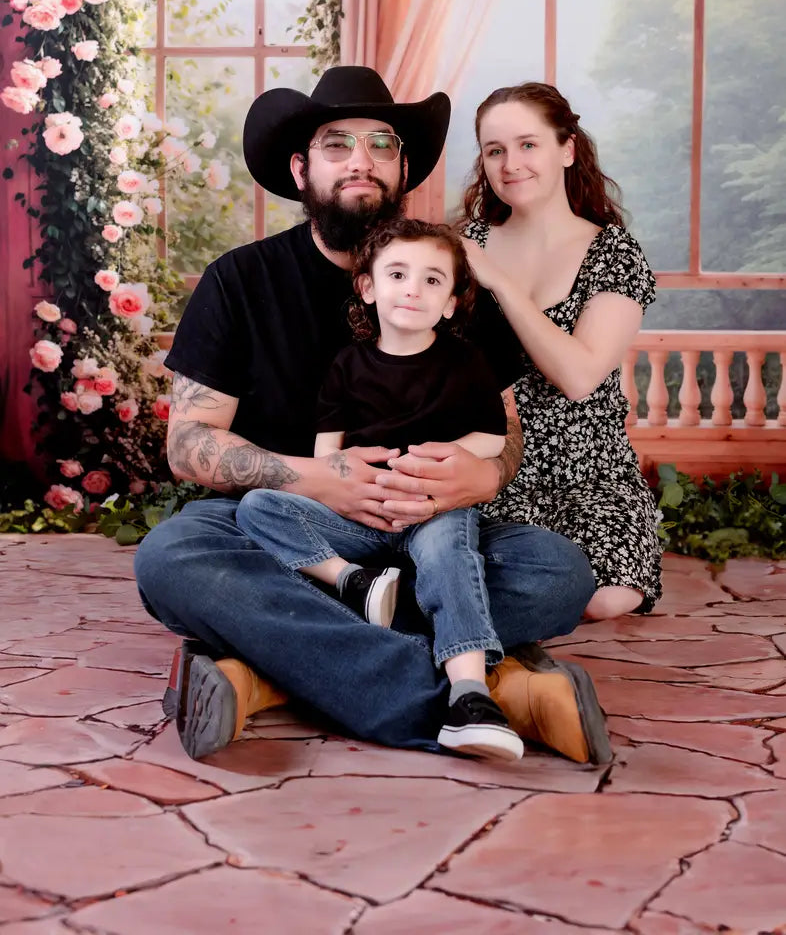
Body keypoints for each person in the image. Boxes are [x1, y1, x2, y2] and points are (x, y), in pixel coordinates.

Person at [133, 66, 611, 767]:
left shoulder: (450, 279)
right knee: (173, 557)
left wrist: (481, 476)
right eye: (336, 144)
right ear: (300, 170)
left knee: (558, 572)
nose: (361, 160)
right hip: (289, 533)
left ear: (403, 167)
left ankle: (270, 669)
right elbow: (189, 443)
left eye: (381, 144)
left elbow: (506, 431)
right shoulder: (240, 280)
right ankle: (481, 692)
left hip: (427, 528)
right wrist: (316, 479)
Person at [238, 217, 524, 762]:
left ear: (450, 303)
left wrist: (436, 464)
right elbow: (326, 457)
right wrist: (347, 480)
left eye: (433, 280)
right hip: (359, 517)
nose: (413, 288)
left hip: (431, 505)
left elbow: (492, 436)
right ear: (369, 288)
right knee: (258, 506)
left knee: (456, 550)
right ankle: (353, 582)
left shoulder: (465, 363)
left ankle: (468, 694)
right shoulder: (347, 365)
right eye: (397, 273)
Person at [461, 81, 662, 620]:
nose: (511, 164)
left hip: (589, 475)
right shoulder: (465, 245)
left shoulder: (612, 251)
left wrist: (499, 282)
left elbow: (579, 377)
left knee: (604, 598)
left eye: (528, 145)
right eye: (494, 150)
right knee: (473, 566)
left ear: (566, 149)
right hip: (491, 465)